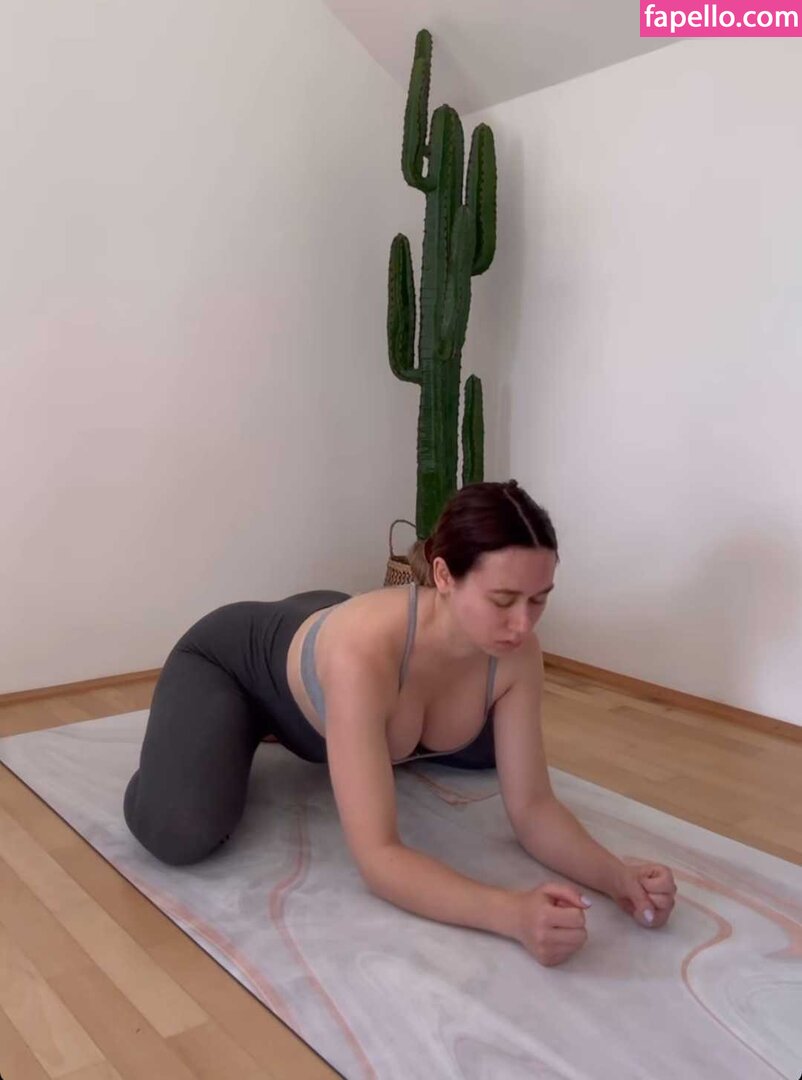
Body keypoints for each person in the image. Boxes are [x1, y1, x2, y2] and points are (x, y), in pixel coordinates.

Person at [124, 479, 676, 967]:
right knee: (180, 830)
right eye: (504, 600)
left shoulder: (517, 652)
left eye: (539, 600)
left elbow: (533, 809)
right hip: (234, 661)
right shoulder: (364, 653)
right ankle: (227, 731)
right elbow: (379, 857)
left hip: (329, 622)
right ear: (443, 574)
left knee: (488, 752)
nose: (522, 624)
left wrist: (616, 876)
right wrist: (510, 913)